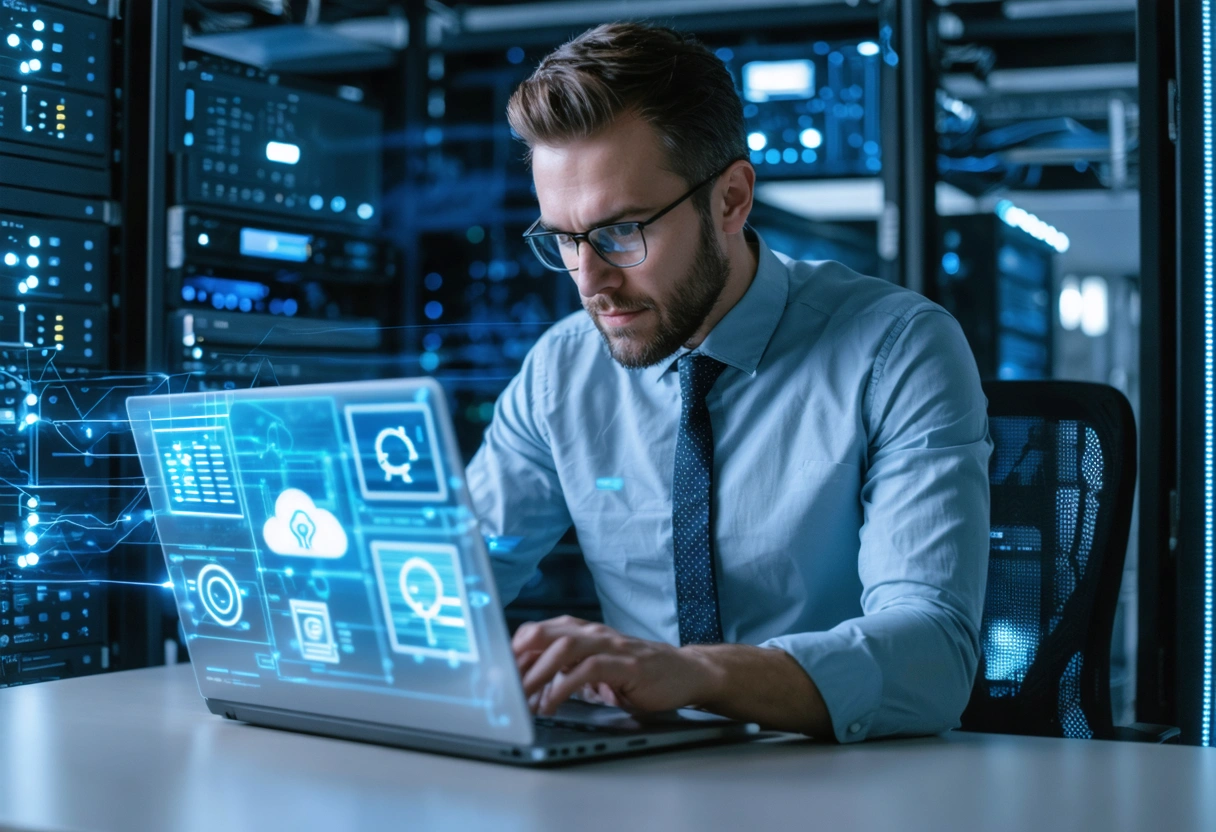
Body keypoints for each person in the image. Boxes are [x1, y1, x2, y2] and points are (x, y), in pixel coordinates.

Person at [466, 21, 992, 742]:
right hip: (635, 781)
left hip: (844, 782)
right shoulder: (563, 370)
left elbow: (933, 654)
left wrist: (703, 674)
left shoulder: (898, 348)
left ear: (730, 200)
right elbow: (457, 582)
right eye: (563, 237)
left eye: (622, 231)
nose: (590, 282)